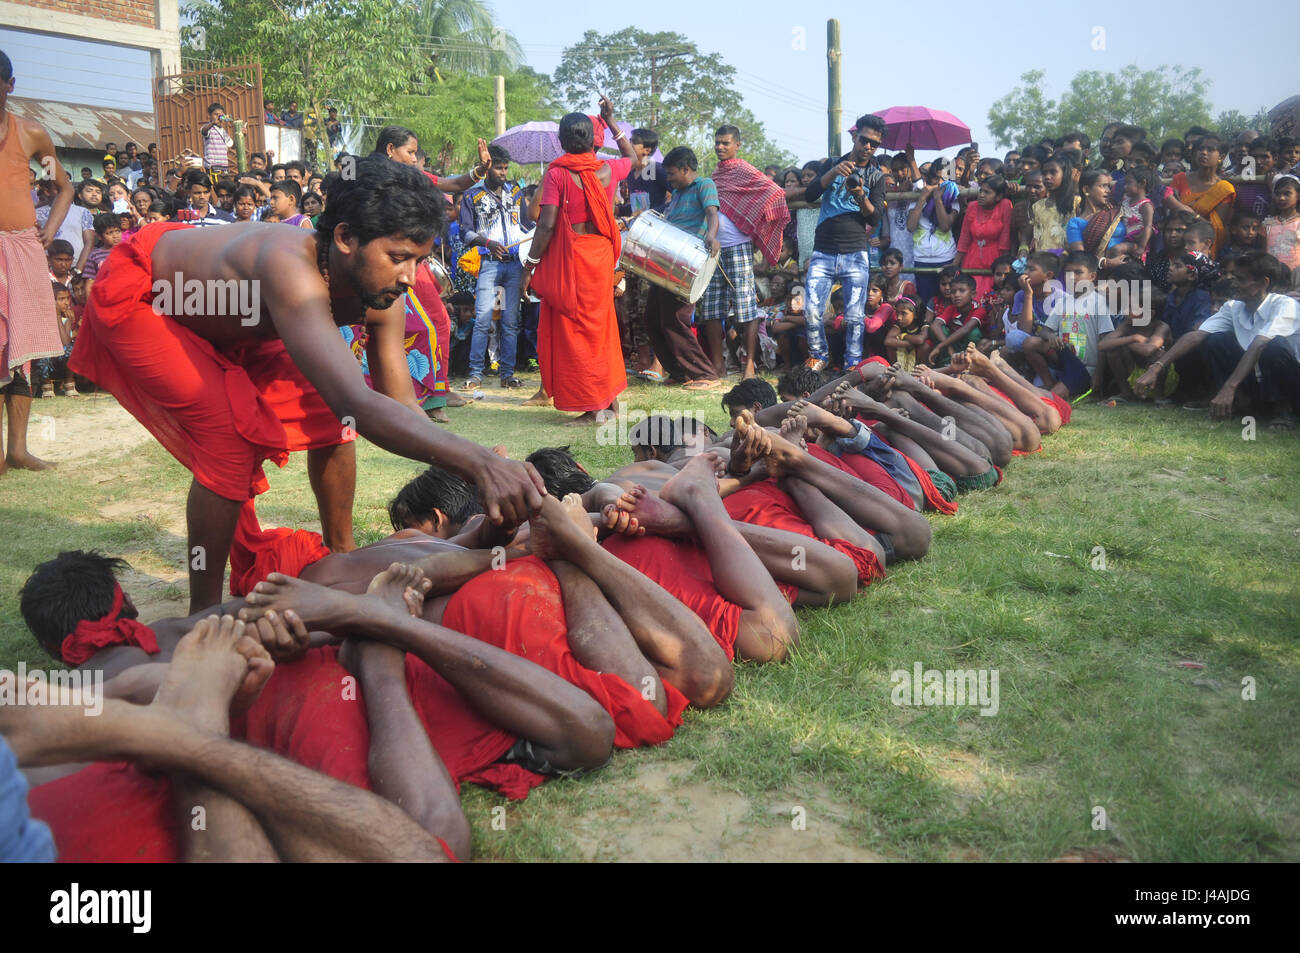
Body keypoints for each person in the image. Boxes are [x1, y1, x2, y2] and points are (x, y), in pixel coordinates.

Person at [68, 155, 546, 612]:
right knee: (228, 440)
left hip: (240, 322)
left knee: (328, 416)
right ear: (344, 238)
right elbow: (356, 400)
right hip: (147, 297)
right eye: (399, 257)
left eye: (419, 260)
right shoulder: (288, 265)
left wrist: (480, 464)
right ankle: (203, 612)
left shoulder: (385, 291)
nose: (410, 277)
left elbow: (399, 403)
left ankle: (341, 552)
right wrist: (479, 464)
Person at [523, 106, 632, 423]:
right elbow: (634, 158)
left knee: (576, 332)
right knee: (600, 329)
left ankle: (595, 405)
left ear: (561, 140)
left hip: (572, 259)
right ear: (592, 140)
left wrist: (531, 264)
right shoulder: (609, 169)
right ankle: (608, 402)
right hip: (599, 257)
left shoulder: (557, 173)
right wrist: (612, 122)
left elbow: (545, 224)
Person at [1, 49, 74, 475]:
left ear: (10, 85)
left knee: (22, 350)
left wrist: (50, 228)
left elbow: (62, 186)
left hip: (24, 249)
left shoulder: (30, 134)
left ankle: (19, 449)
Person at [1136, 252, 1298, 429]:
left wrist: (1229, 387)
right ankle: (1243, 403)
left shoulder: (1285, 305)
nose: (1233, 283)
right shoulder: (1233, 307)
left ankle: (1284, 410)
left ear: (1263, 283)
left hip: (1290, 382)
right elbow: (1196, 335)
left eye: (1241, 279)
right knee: (1214, 340)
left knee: (1273, 345)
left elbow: (1259, 344)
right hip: (1256, 379)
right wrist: (1157, 367)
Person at [798, 115, 887, 374]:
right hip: (823, 251)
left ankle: (852, 363)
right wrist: (833, 172)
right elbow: (810, 194)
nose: (868, 147)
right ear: (854, 136)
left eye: (874, 144)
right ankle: (818, 356)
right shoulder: (833, 164)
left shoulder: (876, 176)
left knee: (854, 317)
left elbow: (874, 217)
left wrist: (860, 195)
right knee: (812, 310)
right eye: (865, 140)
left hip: (856, 253)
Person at [701, 124, 791, 380]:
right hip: (713, 248)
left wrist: (755, 225)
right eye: (717, 142)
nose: (720, 147)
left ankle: (749, 365)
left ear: (737, 145)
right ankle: (718, 366)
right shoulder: (715, 175)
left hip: (739, 246)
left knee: (746, 308)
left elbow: (774, 192)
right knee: (711, 309)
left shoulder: (744, 170)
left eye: (725, 143)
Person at [639, 146, 721, 389]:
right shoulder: (675, 194)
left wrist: (711, 235)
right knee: (653, 317)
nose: (670, 178)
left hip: (688, 262)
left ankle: (705, 374)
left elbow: (711, 213)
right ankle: (679, 372)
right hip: (666, 261)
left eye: (673, 173)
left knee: (676, 318)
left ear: (687, 170)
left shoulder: (704, 184)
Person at [459, 144, 532, 391]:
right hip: (489, 263)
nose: (503, 172)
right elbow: (464, 232)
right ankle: (476, 373)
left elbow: (526, 225)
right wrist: (488, 243)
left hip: (514, 265)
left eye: (505, 168)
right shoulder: (472, 195)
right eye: (499, 168)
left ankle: (507, 374)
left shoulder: (516, 192)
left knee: (510, 322)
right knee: (482, 320)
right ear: (488, 167)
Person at [907, 156, 961, 311]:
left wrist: (938, 199)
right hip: (921, 259)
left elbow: (944, 225)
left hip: (946, 259)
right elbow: (910, 226)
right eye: (936, 178)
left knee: (949, 304)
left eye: (943, 179)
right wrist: (923, 197)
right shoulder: (917, 196)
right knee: (925, 304)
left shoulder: (953, 198)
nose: (939, 183)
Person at [1166, 135, 1235, 257]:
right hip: (1176, 241)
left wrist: (1187, 210)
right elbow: (1173, 213)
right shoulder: (1180, 179)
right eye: (1201, 149)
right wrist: (1197, 215)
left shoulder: (1224, 188)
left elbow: (1214, 226)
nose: (1203, 152)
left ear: (1222, 157)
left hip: (1202, 245)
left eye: (1210, 149)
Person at [954, 175, 1012, 296]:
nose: (981, 195)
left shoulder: (1005, 205)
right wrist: (954, 265)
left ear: (999, 196)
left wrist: (1005, 267)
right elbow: (964, 237)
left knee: (991, 297)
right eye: (981, 190)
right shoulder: (972, 206)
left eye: (987, 192)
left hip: (995, 260)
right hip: (971, 260)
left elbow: (1005, 239)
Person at [1261, 174, 1300, 271]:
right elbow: (1262, 250)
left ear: (1298, 196)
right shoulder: (1267, 223)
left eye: (1287, 193)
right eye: (1278, 194)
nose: (1281, 198)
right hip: (1272, 274)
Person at [200, 103, 234, 176]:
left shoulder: (223, 131)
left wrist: (241, 135)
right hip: (212, 168)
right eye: (216, 114)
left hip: (224, 168)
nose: (218, 117)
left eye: (220, 115)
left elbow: (232, 146)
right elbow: (204, 131)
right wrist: (212, 123)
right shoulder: (208, 128)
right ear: (209, 116)